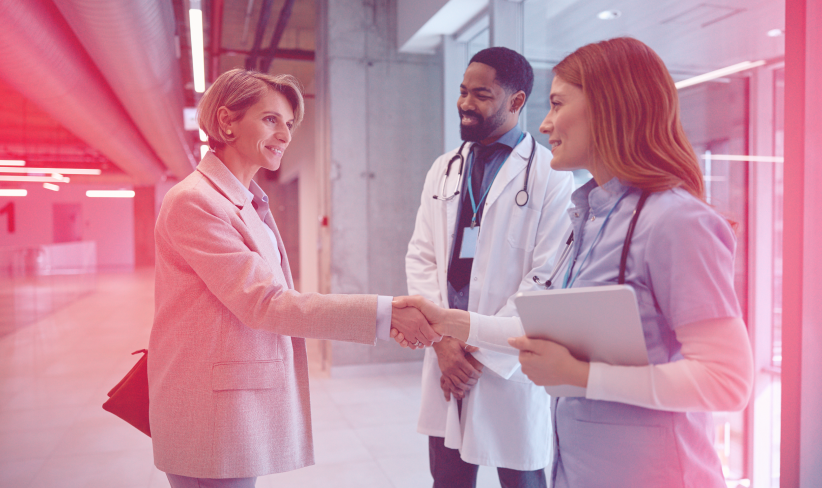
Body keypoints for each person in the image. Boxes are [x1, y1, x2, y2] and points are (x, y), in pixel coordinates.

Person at [395, 37, 755, 487]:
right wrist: (446, 325)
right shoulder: (591, 219)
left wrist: (580, 375)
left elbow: (727, 381)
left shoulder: (676, 222)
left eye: (558, 103)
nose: (544, 125)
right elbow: (540, 327)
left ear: (610, 106)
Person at [148, 69, 440, 487]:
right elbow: (266, 303)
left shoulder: (246, 203)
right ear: (227, 121)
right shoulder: (195, 202)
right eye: (270, 120)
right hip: (207, 409)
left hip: (230, 404)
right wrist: (385, 313)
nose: (285, 135)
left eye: (288, 124)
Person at [401, 47, 574, 487]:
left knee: (522, 478)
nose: (465, 103)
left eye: (481, 94)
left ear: (516, 101)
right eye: (463, 92)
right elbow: (421, 256)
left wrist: (476, 348)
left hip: (503, 364)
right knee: (449, 479)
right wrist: (443, 345)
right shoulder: (444, 169)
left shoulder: (552, 177)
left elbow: (545, 278)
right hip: (447, 360)